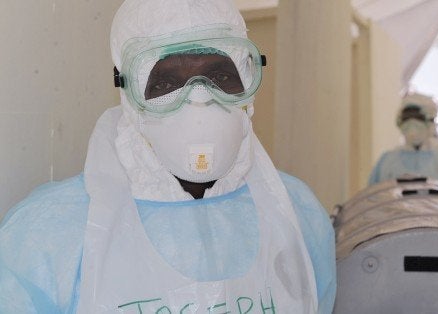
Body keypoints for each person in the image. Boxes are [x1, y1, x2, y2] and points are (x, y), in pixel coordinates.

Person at [0, 0, 336, 313]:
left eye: (220, 76)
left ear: (247, 78)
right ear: (128, 91)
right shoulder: (49, 238)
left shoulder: (296, 216)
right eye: (166, 83)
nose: (199, 100)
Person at [369, 93, 438, 185]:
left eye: (418, 118)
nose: (412, 123)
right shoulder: (387, 162)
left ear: (431, 122)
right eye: (406, 118)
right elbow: (373, 195)